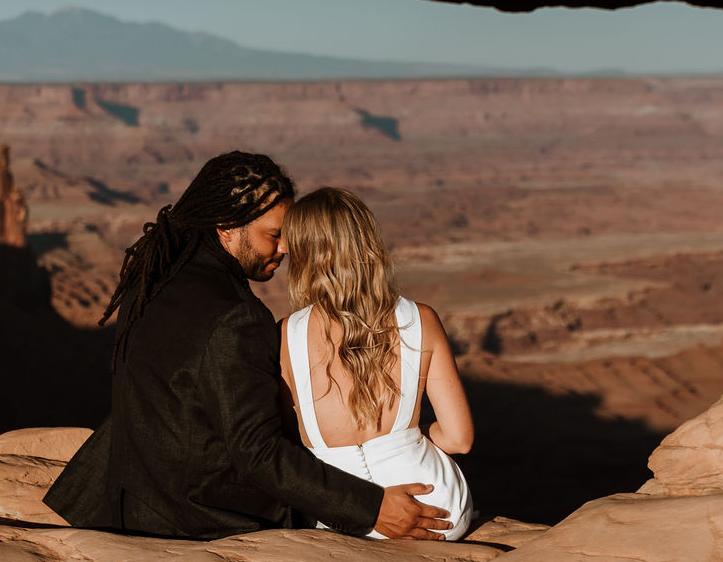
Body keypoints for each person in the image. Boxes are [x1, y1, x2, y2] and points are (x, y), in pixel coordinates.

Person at [44, 152, 452, 540]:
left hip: (127, 495)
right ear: (226, 227)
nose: (286, 249)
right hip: (197, 516)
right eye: (273, 235)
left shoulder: (152, 279)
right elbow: (256, 452)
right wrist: (371, 507)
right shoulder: (235, 317)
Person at [279, 187, 474, 540]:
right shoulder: (421, 319)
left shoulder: (283, 337)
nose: (281, 250)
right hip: (435, 511)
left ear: (305, 253)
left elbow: (283, 442)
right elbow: (459, 440)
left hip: (339, 518)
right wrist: (404, 437)